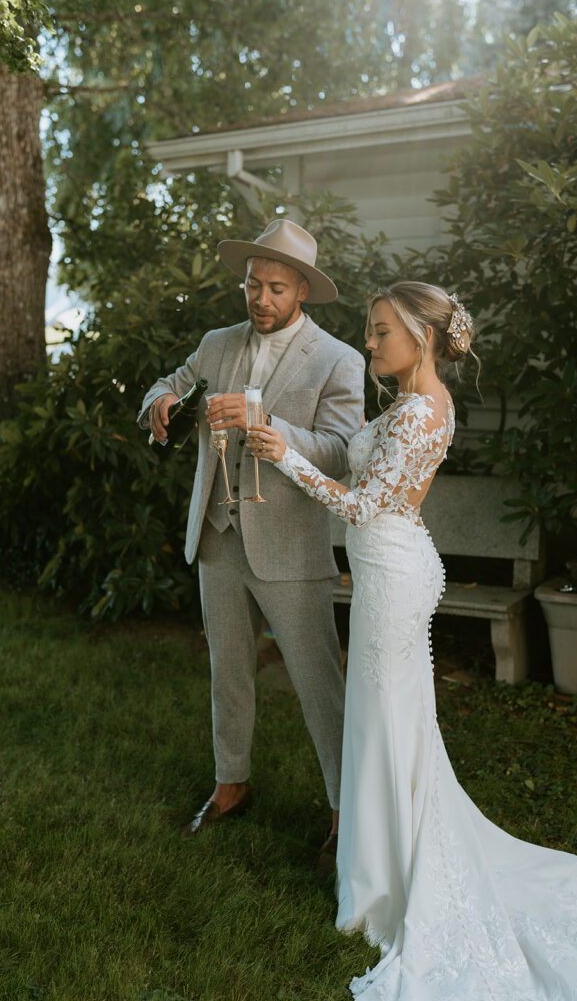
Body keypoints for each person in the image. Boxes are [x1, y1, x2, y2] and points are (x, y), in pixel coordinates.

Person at [249, 281, 577, 1000]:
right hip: (390, 569)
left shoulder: (422, 410)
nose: (369, 344)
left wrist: (282, 456)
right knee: (387, 724)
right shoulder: (406, 404)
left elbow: (364, 508)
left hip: (394, 577)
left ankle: (390, 878)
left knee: (388, 724)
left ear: (421, 337)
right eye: (368, 333)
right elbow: (372, 484)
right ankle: (379, 862)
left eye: (378, 332)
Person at [137, 219, 364, 854]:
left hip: (289, 546)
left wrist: (273, 426)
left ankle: (347, 813)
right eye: (252, 285)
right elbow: (167, 386)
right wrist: (157, 406)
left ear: (302, 292)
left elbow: (343, 452)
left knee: (318, 681)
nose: (261, 300)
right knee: (227, 669)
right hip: (217, 536)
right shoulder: (216, 343)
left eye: (276, 290)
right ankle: (230, 783)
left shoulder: (338, 359)